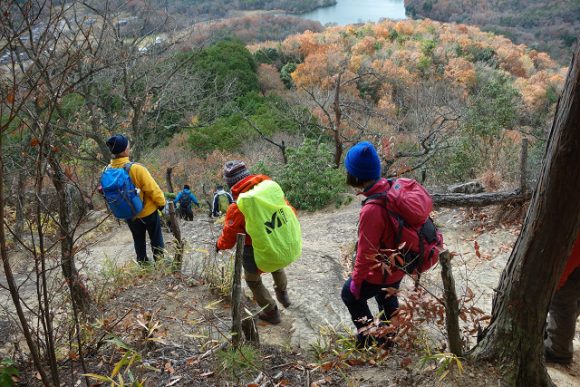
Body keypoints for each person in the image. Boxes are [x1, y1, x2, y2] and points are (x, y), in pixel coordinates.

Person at [340, 141, 406, 348]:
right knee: (387, 297)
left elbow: (365, 253)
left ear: (356, 176)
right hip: (400, 263)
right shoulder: (391, 188)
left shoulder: (372, 209)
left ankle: (367, 340)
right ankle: (388, 340)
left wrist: (356, 283)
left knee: (349, 295)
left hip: (382, 268)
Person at [216, 161, 292, 324]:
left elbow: (229, 237)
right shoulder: (268, 189)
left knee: (253, 280)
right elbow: (287, 210)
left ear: (231, 184)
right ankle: (283, 294)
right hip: (274, 237)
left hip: (252, 247)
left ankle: (271, 311)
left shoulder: (239, 206)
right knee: (276, 265)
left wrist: (219, 245)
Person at [105, 134, 166, 264]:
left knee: (138, 240)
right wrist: (162, 204)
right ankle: (160, 264)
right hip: (148, 212)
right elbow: (152, 189)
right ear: (125, 150)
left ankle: (143, 265)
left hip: (129, 214)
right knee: (156, 238)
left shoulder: (107, 170)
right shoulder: (136, 168)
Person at [544, 232, 580, 365]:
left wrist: (558, 281)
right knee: (573, 301)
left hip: (575, 266)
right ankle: (556, 332)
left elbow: (574, 253)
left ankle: (558, 349)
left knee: (561, 303)